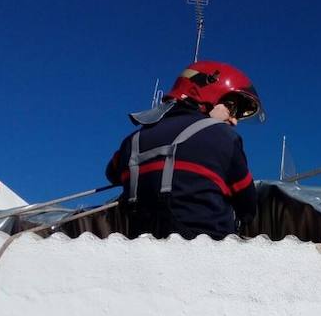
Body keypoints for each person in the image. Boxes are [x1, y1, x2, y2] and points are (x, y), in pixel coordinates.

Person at [106, 60, 263, 239]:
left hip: (141, 252)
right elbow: (248, 207)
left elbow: (111, 174)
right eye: (232, 108)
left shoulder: (131, 142)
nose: (234, 121)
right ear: (208, 92)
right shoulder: (224, 138)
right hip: (207, 253)